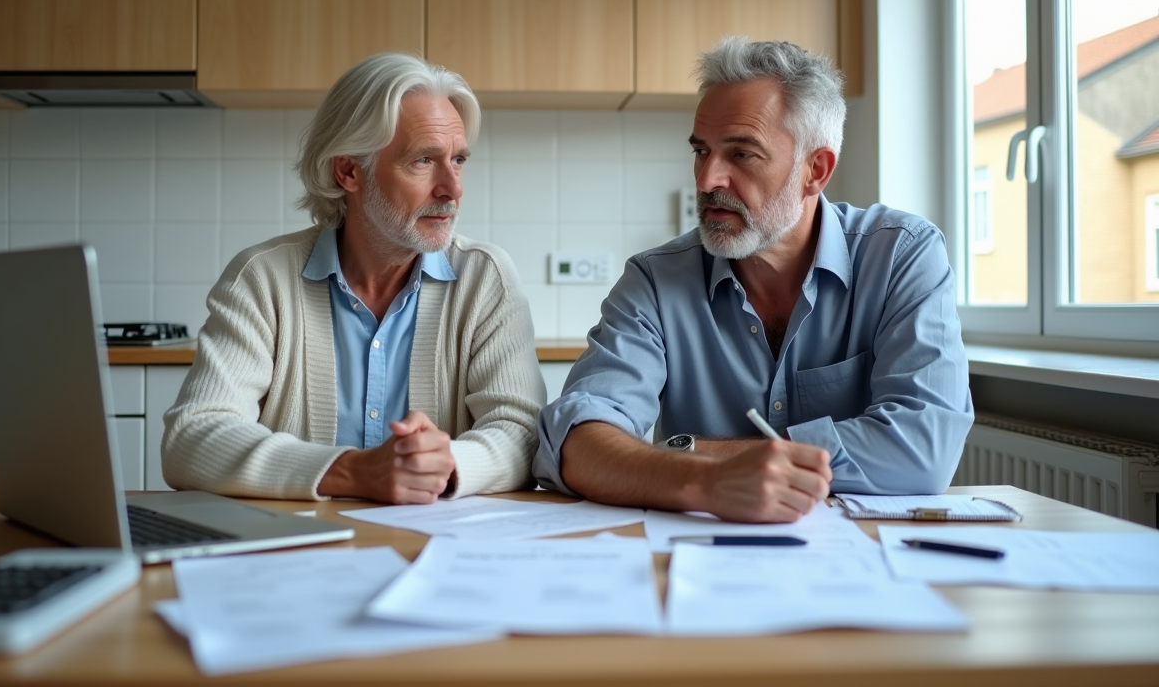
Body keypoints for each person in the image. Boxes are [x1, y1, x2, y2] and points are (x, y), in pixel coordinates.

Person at [533, 37, 973, 523]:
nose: (706, 181)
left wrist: (701, 451)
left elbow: (923, 448)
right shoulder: (656, 281)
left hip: (865, 564)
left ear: (816, 170)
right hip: (702, 558)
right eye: (701, 152)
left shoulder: (901, 255)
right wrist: (710, 481)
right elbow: (576, 443)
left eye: (741, 154)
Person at [163, 52, 545, 504]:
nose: (453, 188)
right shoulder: (263, 279)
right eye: (424, 161)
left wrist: (443, 466)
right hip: (297, 559)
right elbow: (191, 438)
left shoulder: (486, 278)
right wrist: (352, 472)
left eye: (458, 160)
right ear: (348, 171)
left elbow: (524, 434)